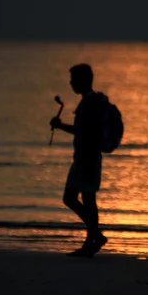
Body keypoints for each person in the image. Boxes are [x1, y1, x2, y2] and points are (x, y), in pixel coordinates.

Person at [49, 63, 108, 257]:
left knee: (73, 197)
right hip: (87, 157)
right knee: (86, 198)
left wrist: (61, 126)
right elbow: (81, 131)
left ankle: (94, 237)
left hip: (86, 158)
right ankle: (92, 239)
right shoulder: (89, 102)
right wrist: (62, 126)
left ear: (83, 80)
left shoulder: (90, 104)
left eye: (74, 79)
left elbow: (83, 131)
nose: (71, 83)